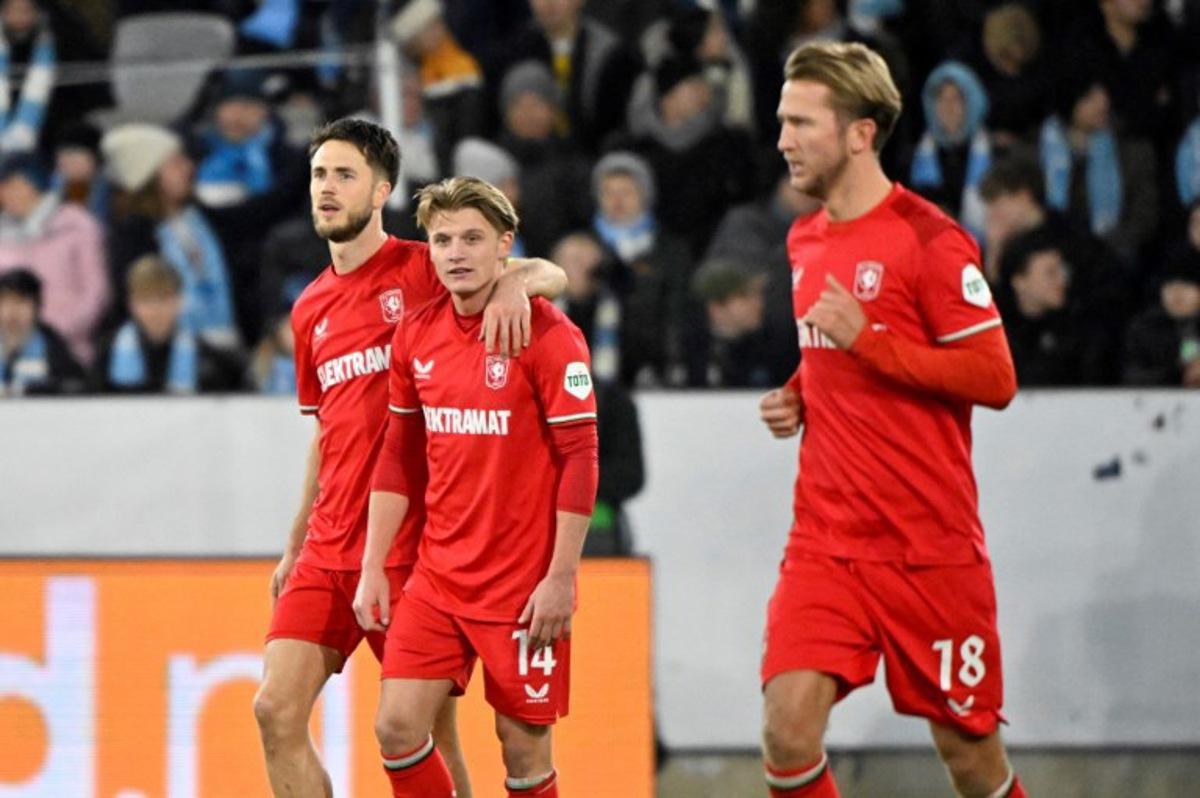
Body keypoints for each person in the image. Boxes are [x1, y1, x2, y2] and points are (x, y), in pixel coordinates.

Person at [251, 118, 567, 798]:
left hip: (413, 547)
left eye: (345, 175)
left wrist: (520, 285)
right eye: (318, 175)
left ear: (382, 190)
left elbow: (549, 272)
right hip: (331, 545)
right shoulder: (309, 310)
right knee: (273, 710)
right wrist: (293, 543)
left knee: (423, 733)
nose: (327, 189)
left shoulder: (425, 264)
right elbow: (326, 432)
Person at [759, 41, 1026, 798]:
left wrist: (870, 343)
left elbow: (996, 379)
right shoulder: (804, 236)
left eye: (802, 122)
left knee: (971, 758)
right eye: (782, 120)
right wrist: (801, 389)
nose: (783, 140)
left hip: (927, 548)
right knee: (787, 729)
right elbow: (832, 351)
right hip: (827, 539)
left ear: (859, 133)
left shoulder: (930, 240)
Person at [353, 176, 597, 798]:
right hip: (439, 579)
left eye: (471, 238)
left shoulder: (548, 336)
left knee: (522, 748)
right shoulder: (416, 333)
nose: (455, 252)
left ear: (504, 246)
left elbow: (580, 458)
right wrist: (374, 565)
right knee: (396, 726)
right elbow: (399, 456)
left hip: (522, 586)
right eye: (441, 240)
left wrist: (561, 578)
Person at [94, 254, 245, 394]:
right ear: (132, 304)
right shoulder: (107, 357)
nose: (156, 310)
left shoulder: (211, 361)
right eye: (146, 300)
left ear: (179, 300)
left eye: (163, 299)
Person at [0, 267, 84, 395]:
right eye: (5, 302)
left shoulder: (51, 344)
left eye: (20, 302)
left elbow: (73, 384)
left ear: (37, 306)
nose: (12, 311)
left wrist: (28, 390)